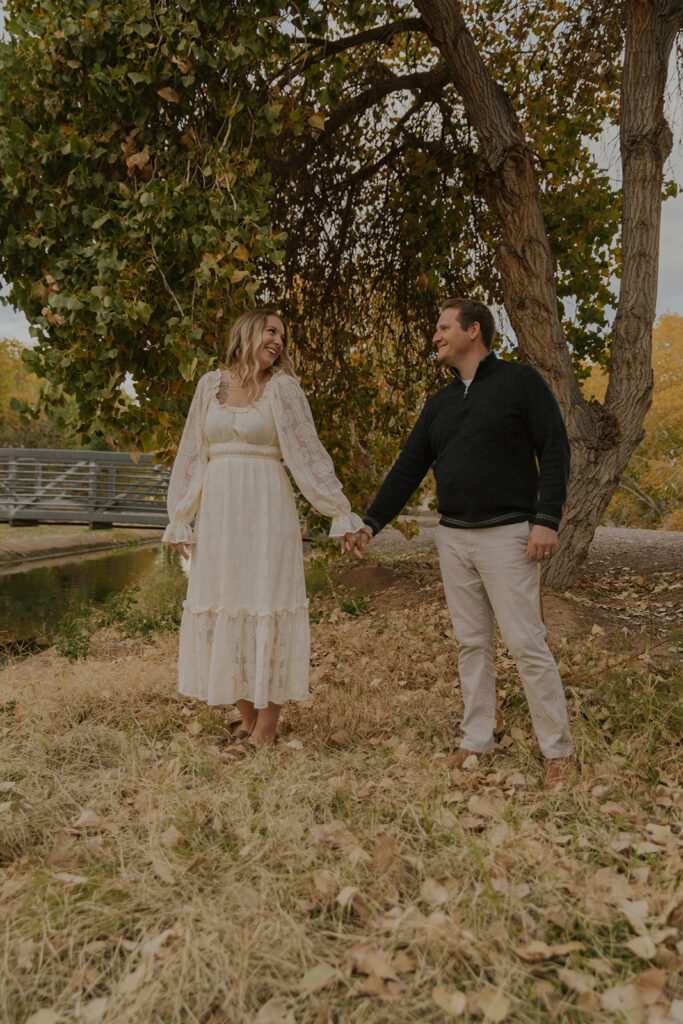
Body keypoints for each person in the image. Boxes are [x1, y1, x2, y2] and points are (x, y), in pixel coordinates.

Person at [343, 298, 575, 786]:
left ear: (474, 330)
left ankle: (558, 751)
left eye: (444, 326)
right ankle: (476, 744)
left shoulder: (520, 383)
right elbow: (408, 469)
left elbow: (554, 446)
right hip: (454, 538)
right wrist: (370, 524)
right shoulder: (440, 404)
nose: (436, 336)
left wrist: (547, 518)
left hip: (510, 536)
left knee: (525, 642)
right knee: (471, 644)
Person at [162, 308, 364, 746]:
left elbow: (308, 454)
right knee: (223, 603)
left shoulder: (284, 389)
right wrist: (180, 516)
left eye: (283, 337)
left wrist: (339, 513)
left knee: (265, 603)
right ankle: (247, 715)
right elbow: (192, 453)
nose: (278, 341)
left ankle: (267, 728)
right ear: (247, 332)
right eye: (271, 331)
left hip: (267, 509)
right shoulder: (209, 386)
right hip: (219, 514)